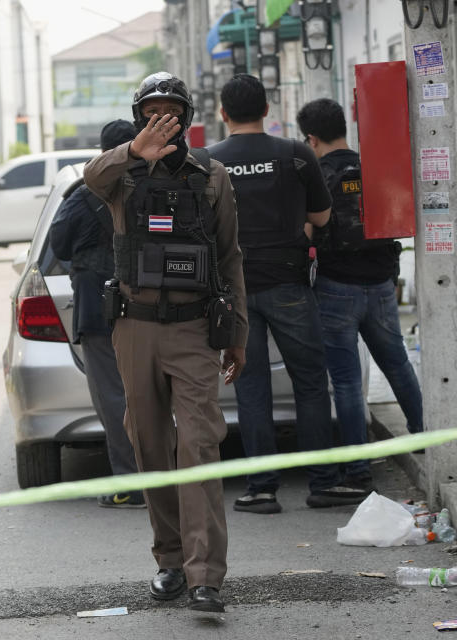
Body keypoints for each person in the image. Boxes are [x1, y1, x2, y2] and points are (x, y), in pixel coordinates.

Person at [84, 71, 247, 613]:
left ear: (187, 118)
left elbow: (229, 257)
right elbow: (90, 177)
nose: (162, 121)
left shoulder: (211, 176)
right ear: (138, 118)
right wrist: (134, 150)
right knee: (149, 445)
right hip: (135, 328)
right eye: (151, 112)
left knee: (198, 445)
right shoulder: (122, 176)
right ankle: (171, 562)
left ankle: (206, 577)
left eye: (170, 113)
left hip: (193, 329)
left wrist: (236, 334)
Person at [207, 74, 344, 514]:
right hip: (288, 285)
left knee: (251, 388)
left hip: (235, 290)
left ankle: (261, 488)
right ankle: (322, 482)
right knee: (309, 382)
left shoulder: (208, 163)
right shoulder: (295, 154)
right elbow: (322, 218)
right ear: (267, 110)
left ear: (223, 113)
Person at [297, 98, 424, 504]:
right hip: (382, 285)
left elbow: (308, 232)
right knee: (397, 362)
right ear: (344, 127)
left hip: (335, 287)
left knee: (348, 382)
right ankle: (422, 435)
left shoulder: (315, 173)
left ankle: (358, 468)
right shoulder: (372, 166)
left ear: (311, 138)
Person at [48, 119, 143, 509]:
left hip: (99, 310)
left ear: (104, 154)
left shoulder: (84, 194)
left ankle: (131, 483)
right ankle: (170, 477)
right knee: (154, 394)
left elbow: (59, 244)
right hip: (155, 307)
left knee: (113, 396)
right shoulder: (159, 187)